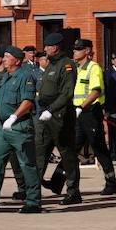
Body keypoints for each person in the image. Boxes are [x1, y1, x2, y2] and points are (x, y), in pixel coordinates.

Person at [0, 45, 43, 213]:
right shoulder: (6, 76)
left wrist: (14, 116)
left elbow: (28, 101)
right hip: (2, 127)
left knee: (27, 164)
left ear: (17, 60)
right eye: (5, 56)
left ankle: (33, 202)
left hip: (19, 127)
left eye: (8, 56)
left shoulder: (25, 76)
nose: (5, 59)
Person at [71, 38, 116, 195]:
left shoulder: (93, 68)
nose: (75, 52)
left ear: (87, 51)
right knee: (71, 147)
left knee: (99, 148)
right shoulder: (76, 68)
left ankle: (111, 182)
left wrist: (81, 107)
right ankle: (60, 181)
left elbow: (96, 91)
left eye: (78, 49)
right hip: (77, 113)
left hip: (90, 112)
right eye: (75, 49)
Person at [35, 33, 78, 201]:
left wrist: (51, 110)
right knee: (40, 152)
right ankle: (33, 191)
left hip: (60, 115)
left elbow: (67, 93)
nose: (45, 49)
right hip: (45, 115)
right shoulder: (50, 65)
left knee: (67, 155)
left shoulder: (66, 65)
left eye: (47, 46)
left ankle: (73, 192)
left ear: (55, 47)